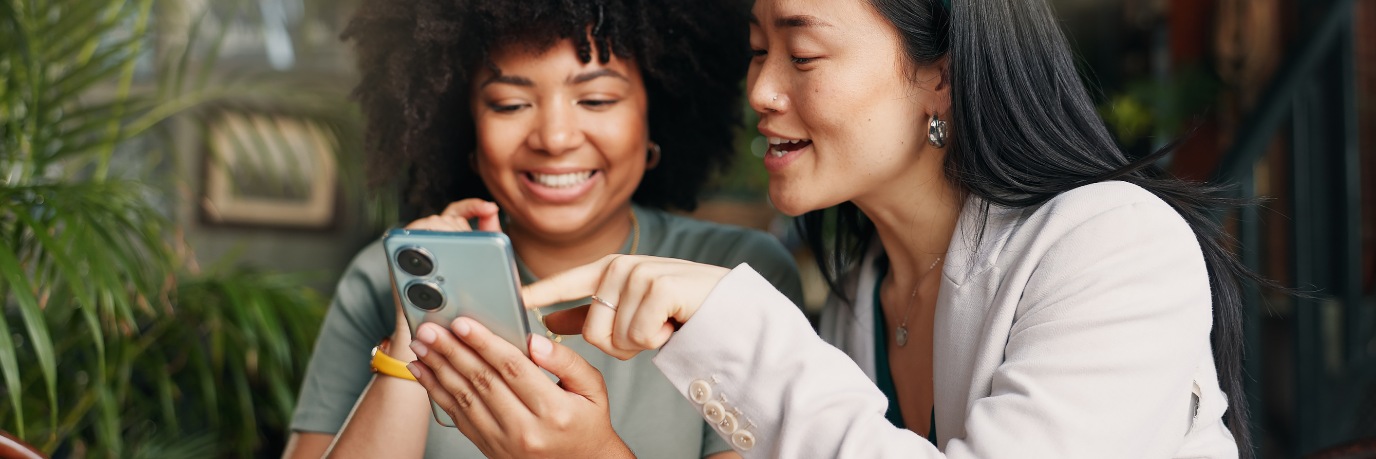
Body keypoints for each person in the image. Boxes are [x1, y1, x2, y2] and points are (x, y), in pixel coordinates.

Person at [403, 0, 1261, 458]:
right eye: (754, 50)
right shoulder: (861, 299)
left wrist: (738, 325)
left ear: (941, 76)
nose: (762, 91)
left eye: (802, 54)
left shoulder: (1112, 243)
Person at [279, 0, 804, 458]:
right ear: (466, 131)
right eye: (510, 104)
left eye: (596, 100)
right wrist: (410, 345)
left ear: (656, 118)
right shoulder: (383, 278)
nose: (554, 138)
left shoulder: (737, 276)